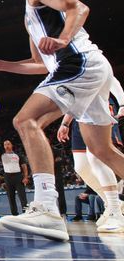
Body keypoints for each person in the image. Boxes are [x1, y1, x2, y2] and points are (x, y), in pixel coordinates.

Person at [0, 0, 124, 241]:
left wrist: (63, 39)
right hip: (86, 68)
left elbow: (79, 8)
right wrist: (1, 65)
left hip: (79, 63)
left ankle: (46, 208)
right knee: (101, 149)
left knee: (25, 120)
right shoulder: (30, 13)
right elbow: (41, 64)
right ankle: (49, 209)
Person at [56, 75, 124, 232]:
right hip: (79, 117)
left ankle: (115, 210)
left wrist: (122, 103)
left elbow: (111, 79)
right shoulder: (62, 67)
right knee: (81, 167)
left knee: (96, 158)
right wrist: (65, 122)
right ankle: (112, 204)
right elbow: (75, 100)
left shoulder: (84, 55)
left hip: (99, 108)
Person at [0, 139, 29, 215]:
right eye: (5, 144)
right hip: (8, 177)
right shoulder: (2, 155)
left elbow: (24, 167)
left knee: (23, 196)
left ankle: (26, 213)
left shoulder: (18, 155)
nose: (7, 146)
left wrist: (25, 177)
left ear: (11, 145)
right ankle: (14, 214)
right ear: (4, 147)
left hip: (18, 176)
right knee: (11, 197)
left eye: (8, 144)